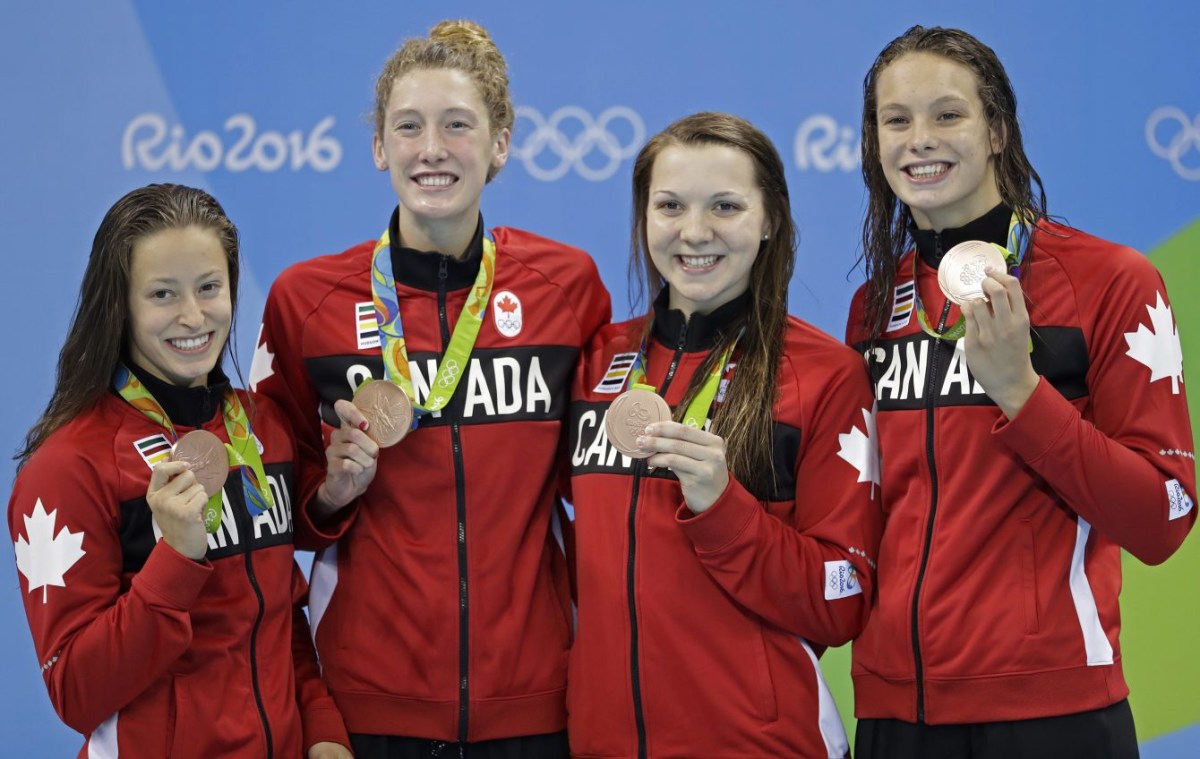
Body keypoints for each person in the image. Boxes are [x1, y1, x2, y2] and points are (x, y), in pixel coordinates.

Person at [251, 20, 611, 759]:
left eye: (458, 125)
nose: (432, 149)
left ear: (501, 143)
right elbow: (270, 504)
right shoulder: (305, 301)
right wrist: (330, 496)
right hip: (367, 704)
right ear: (380, 146)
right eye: (408, 127)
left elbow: (599, 482)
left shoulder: (565, 287)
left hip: (534, 704)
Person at [846, 25, 1197, 759]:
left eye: (948, 115)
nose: (920, 140)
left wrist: (1022, 393)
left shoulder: (1110, 280)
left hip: (1052, 710)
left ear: (998, 130)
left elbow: (1163, 516)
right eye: (896, 119)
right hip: (892, 711)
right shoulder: (874, 308)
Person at [565, 112, 883, 758]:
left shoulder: (824, 377)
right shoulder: (597, 362)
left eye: (726, 206)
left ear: (770, 222)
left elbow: (842, 597)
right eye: (671, 206)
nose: (695, 232)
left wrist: (725, 510)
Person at [8, 183, 351, 759]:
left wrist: (320, 728)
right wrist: (177, 559)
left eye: (209, 288)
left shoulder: (263, 429)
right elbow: (76, 692)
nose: (193, 316)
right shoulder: (66, 468)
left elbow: (277, 620)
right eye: (163, 293)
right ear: (120, 304)